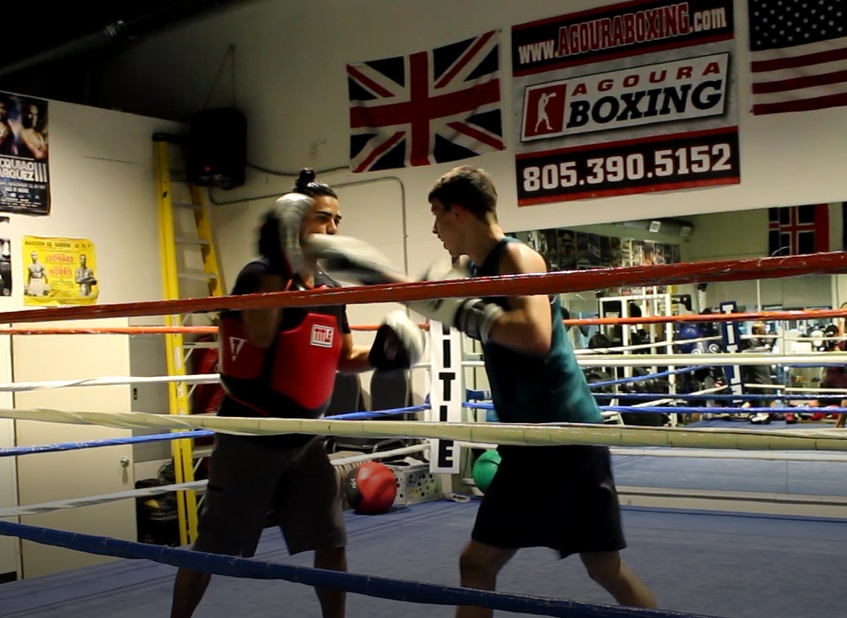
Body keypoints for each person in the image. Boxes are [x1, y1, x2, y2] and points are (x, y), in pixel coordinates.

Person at [314, 166, 657, 617]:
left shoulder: (519, 258)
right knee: (583, 566)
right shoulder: (475, 267)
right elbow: (431, 291)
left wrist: (461, 311)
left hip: (561, 435)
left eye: (437, 216)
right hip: (537, 438)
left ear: (457, 212)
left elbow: (534, 337)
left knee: (522, 564)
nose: (434, 230)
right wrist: (378, 281)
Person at [169, 168, 425, 618]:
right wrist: (284, 262)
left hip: (303, 438)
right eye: (322, 219)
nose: (332, 229)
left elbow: (343, 355)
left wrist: (385, 355)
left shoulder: (328, 289)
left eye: (337, 220)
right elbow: (263, 334)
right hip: (251, 433)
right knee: (212, 545)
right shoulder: (260, 274)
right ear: (293, 223)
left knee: (331, 540)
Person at [740, 321, 778, 423]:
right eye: (763, 330)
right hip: (755, 366)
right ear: (757, 331)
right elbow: (747, 352)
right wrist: (766, 348)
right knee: (764, 387)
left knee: (763, 388)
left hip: (760, 364)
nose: (765, 332)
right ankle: (765, 412)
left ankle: (771, 411)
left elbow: (773, 335)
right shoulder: (750, 341)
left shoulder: (762, 341)